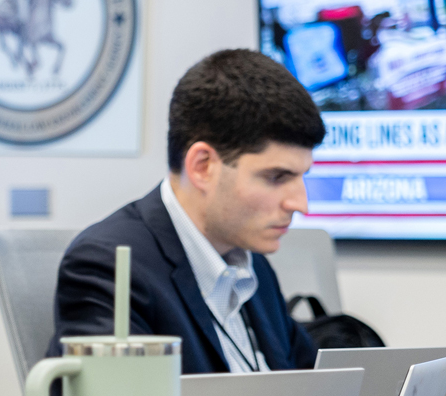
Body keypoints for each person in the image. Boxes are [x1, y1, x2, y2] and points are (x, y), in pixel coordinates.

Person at [47, 49, 326, 374]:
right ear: (203, 167)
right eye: (276, 177)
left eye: (301, 177)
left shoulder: (253, 269)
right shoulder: (108, 267)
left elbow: (308, 380)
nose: (300, 204)